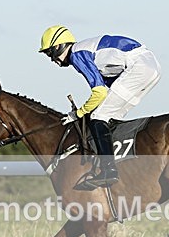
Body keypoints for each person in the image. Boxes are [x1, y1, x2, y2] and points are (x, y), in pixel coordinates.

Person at [39, 25, 161, 189]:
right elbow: (106, 87)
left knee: (98, 116)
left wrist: (78, 113)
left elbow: (99, 92)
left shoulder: (76, 54)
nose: (52, 60)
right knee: (109, 118)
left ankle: (108, 170)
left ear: (58, 47)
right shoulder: (83, 51)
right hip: (150, 66)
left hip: (139, 67)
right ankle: (119, 164)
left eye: (49, 53)